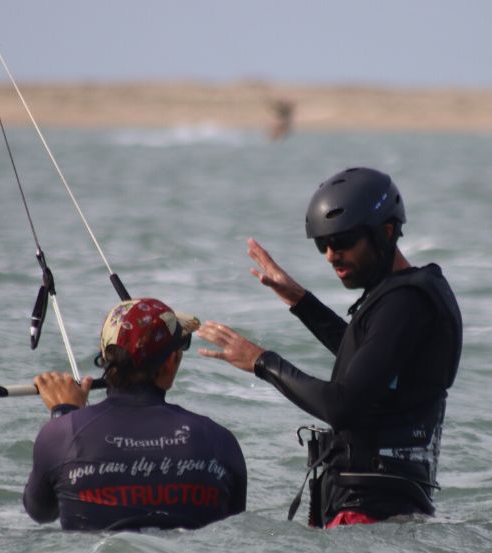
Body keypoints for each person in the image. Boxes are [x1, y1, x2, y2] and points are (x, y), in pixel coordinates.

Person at [197, 167, 462, 528]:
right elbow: (368, 359)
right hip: (386, 506)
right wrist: (300, 301)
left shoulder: (405, 302)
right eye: (323, 245)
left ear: (385, 232)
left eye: (343, 242)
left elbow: (343, 405)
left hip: (368, 513)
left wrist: (262, 362)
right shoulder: (411, 294)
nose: (331, 255)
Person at [25, 298, 247, 531]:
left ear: (106, 356)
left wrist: (65, 414)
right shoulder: (220, 442)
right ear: (171, 361)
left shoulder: (61, 435)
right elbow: (234, 526)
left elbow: (41, 511)